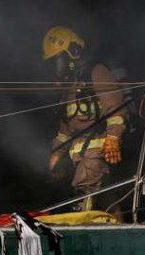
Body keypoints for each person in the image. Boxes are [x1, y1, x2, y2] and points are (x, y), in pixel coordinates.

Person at [42, 26, 128, 212]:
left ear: (73, 52)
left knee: (84, 202)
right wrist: (55, 153)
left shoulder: (96, 72)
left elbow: (117, 108)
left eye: (57, 61)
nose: (57, 68)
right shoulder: (70, 89)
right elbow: (66, 132)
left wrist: (113, 138)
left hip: (98, 155)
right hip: (81, 159)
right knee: (108, 207)